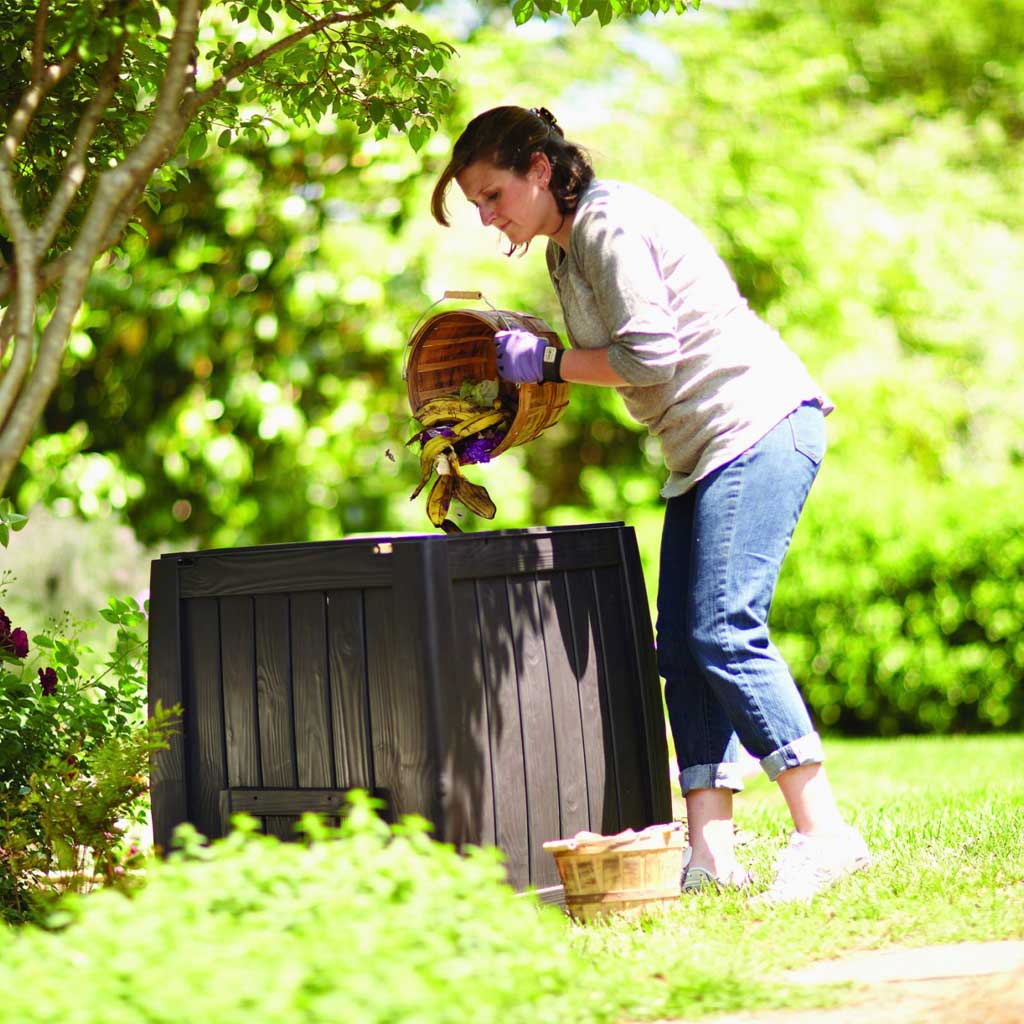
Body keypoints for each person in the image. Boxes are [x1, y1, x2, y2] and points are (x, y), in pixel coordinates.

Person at [430, 105, 871, 903]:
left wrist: (553, 363)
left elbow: (649, 357)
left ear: (539, 168)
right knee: (682, 648)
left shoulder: (606, 225)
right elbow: (606, 362)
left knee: (723, 630)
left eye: (493, 196)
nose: (488, 217)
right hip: (701, 449)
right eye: (477, 205)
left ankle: (826, 835)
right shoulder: (565, 252)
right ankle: (710, 855)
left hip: (756, 424)